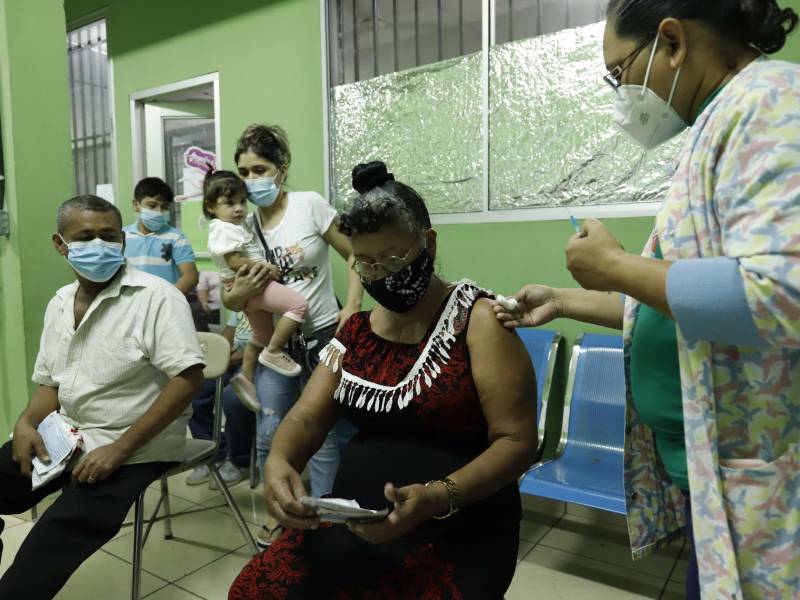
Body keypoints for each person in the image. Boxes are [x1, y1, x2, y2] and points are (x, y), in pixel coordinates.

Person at [496, 2, 800, 598]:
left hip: (763, 484)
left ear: (672, 43)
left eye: (620, 72)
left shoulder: (770, 104)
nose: (622, 93)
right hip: (711, 480)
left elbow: (780, 294)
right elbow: (680, 304)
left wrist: (616, 267)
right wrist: (563, 300)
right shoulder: (716, 124)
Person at [228, 162, 538, 599]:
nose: (382, 274)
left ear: (428, 243)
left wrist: (436, 497)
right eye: (367, 265)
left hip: (460, 525)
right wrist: (280, 462)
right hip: (357, 520)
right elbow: (306, 419)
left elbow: (516, 440)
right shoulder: (355, 332)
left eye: (393, 259)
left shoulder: (478, 320)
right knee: (254, 591)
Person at [0, 195, 205, 598]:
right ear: (60, 244)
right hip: (66, 435)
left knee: (47, 547)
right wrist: (26, 422)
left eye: (109, 236)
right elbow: (51, 384)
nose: (99, 245)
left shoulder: (157, 298)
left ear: (122, 241)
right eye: (85, 237)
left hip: (133, 446)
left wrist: (120, 449)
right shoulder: (60, 303)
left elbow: (187, 380)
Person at [223, 124, 364, 546]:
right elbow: (233, 298)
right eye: (244, 172)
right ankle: (283, 513)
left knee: (323, 436)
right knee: (271, 434)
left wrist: (352, 306)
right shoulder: (241, 226)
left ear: (281, 169)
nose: (251, 181)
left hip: (322, 337)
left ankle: (324, 516)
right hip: (274, 348)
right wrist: (239, 295)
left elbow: (355, 254)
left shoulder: (309, 205)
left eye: (259, 170)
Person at [204, 169, 309, 379]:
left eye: (242, 202)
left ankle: (246, 378)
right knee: (299, 306)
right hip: (252, 285)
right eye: (230, 203)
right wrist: (265, 268)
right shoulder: (224, 228)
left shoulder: (235, 225)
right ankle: (274, 351)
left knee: (262, 335)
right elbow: (234, 262)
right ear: (211, 207)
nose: (238, 208)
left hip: (245, 290)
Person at [186, 310, 257, 488]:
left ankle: (238, 460)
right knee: (192, 390)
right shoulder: (240, 300)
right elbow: (229, 332)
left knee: (233, 399)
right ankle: (213, 455)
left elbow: (272, 339)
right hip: (232, 360)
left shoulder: (274, 300)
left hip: (257, 362)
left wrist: (243, 355)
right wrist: (223, 355)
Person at [123, 176, 199, 294]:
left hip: (165, 302)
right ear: (136, 205)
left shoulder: (176, 238)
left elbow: (190, 276)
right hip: (130, 302)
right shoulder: (121, 236)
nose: (158, 212)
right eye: (152, 205)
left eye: (164, 207)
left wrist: (165, 299)